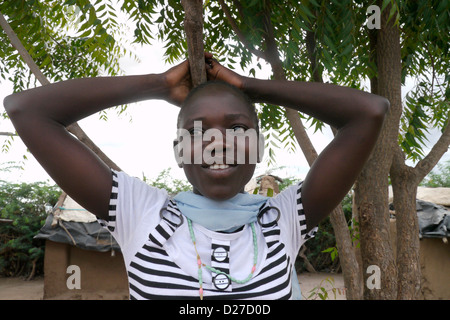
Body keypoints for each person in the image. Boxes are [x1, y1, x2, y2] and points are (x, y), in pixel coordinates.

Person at [4, 52, 389, 300]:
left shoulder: (283, 220)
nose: (217, 143)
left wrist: (248, 87)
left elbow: (368, 112)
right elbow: (26, 110)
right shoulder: (139, 214)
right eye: (199, 131)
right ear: (179, 152)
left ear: (257, 148)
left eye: (237, 130)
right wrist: (157, 85)